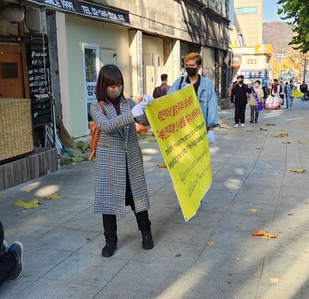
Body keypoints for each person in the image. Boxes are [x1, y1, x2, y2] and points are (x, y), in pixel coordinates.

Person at [89, 64, 154, 258]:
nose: (115, 88)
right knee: (108, 204)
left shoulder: (129, 103)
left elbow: (145, 123)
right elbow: (105, 125)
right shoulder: (97, 106)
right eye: (111, 85)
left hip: (131, 159)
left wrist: (148, 106)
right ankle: (111, 241)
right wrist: (132, 115)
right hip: (110, 161)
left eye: (118, 84)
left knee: (138, 200)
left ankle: (146, 233)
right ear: (103, 86)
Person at [169, 52, 219, 143]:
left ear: (199, 67)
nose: (189, 68)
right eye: (187, 65)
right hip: (182, 128)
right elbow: (168, 100)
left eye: (192, 65)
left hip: (199, 128)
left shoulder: (207, 85)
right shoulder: (179, 82)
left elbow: (212, 107)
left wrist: (211, 129)